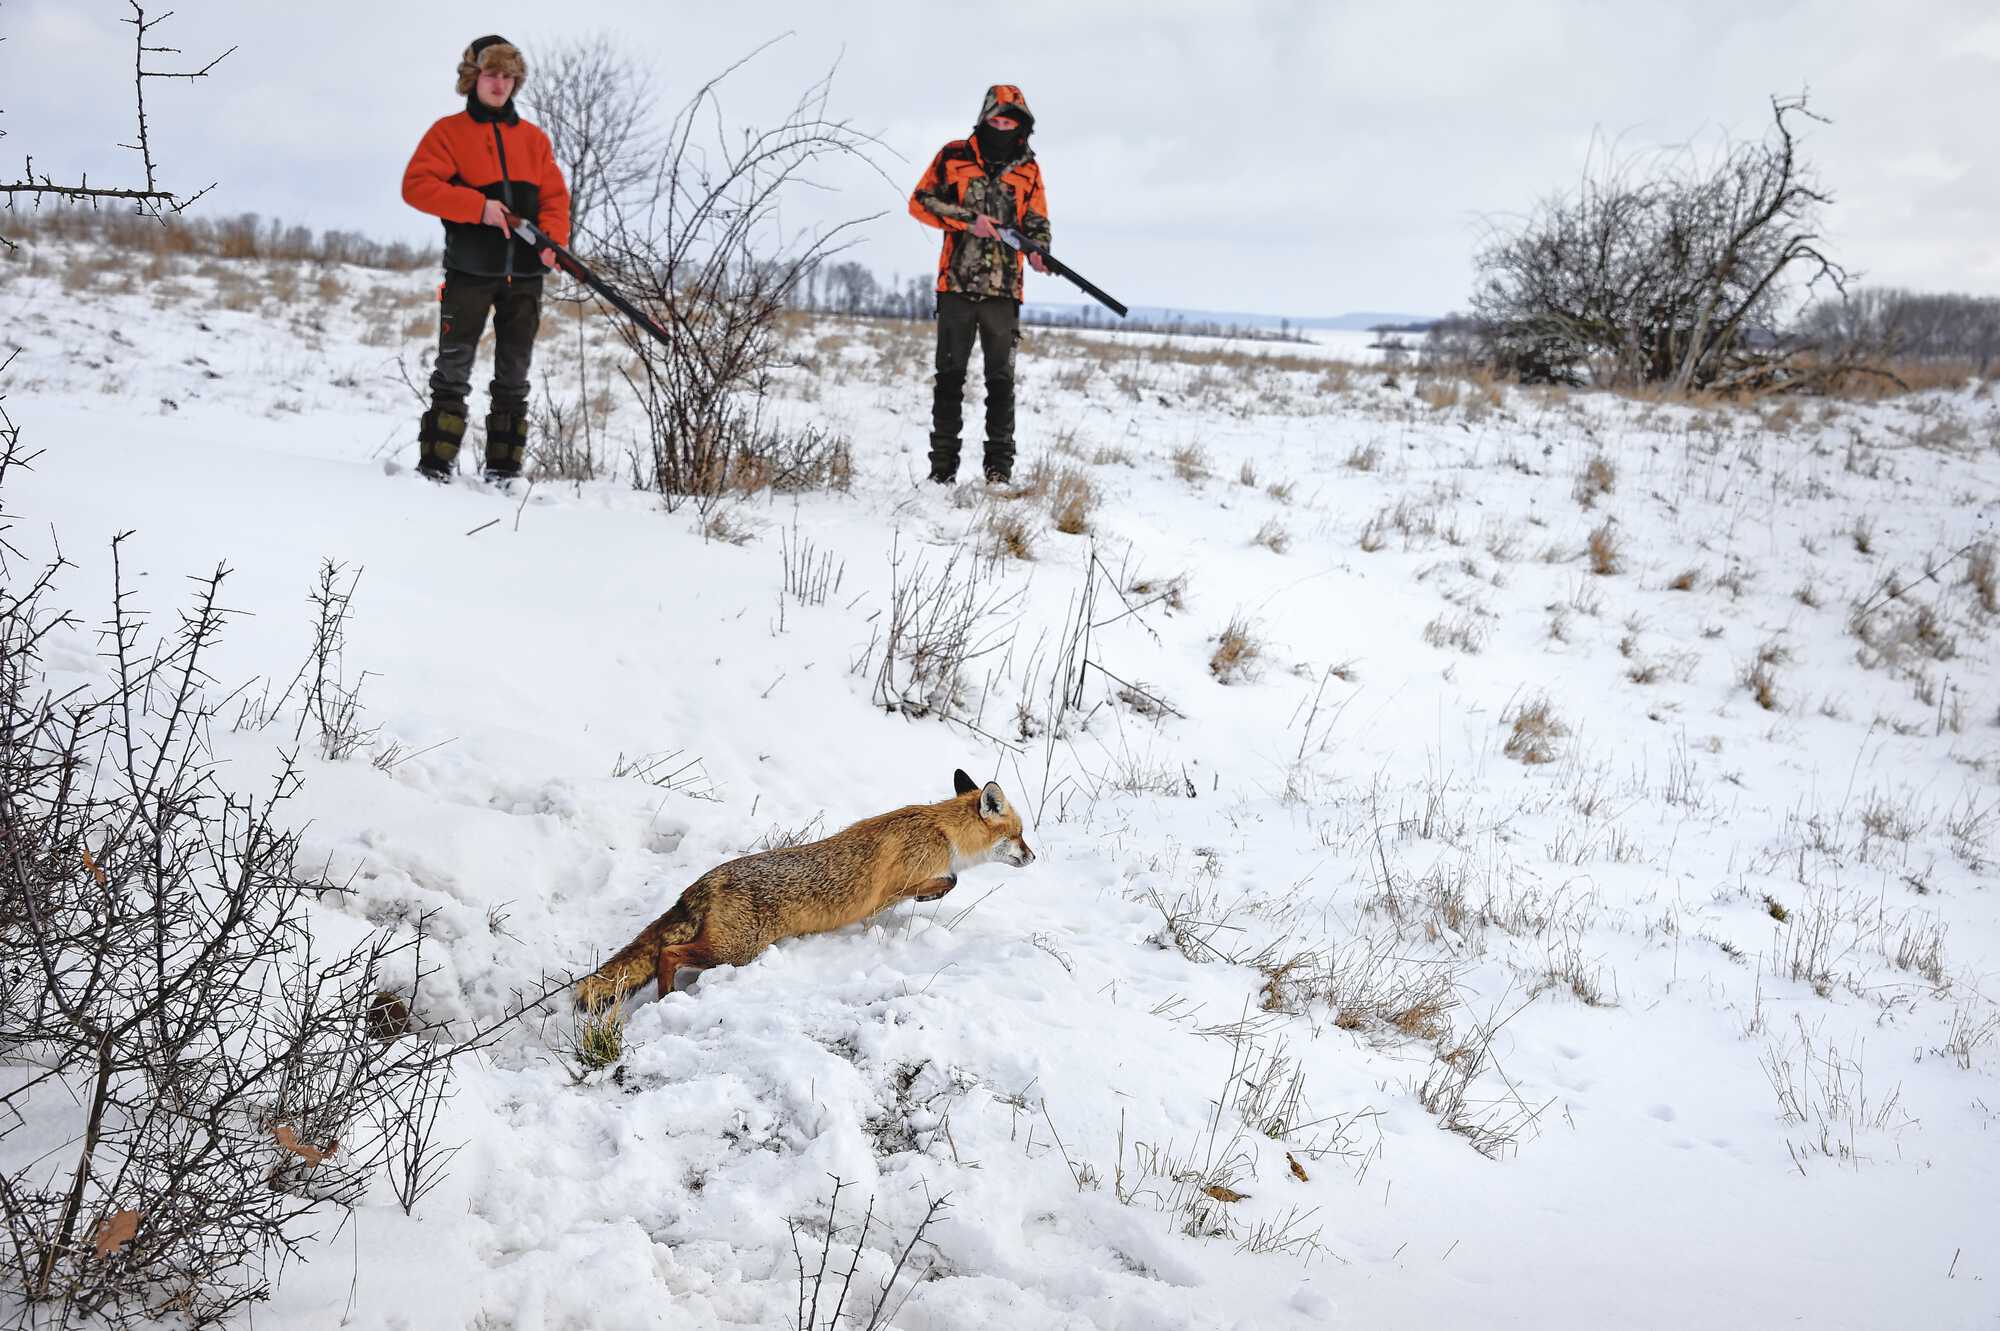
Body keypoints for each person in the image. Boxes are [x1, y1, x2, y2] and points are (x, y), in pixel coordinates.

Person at [401, 35, 571, 482]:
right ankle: (436, 467)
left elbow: (554, 198)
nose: (500, 84)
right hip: (470, 273)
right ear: (474, 78)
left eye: (508, 76)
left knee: (514, 380)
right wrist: (478, 207)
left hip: (527, 275)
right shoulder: (448, 134)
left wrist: (552, 241)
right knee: (453, 372)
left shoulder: (534, 141)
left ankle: (504, 473)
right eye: (492, 74)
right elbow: (417, 186)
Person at [908, 85, 1051, 486]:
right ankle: (941, 471)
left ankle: (998, 472)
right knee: (949, 379)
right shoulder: (953, 156)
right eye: (996, 120)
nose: (1002, 127)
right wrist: (967, 220)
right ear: (985, 118)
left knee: (1001, 384)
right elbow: (919, 201)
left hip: (1004, 294)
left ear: (1020, 125)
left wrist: (1039, 252)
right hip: (955, 285)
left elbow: (1037, 223)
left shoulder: (1029, 170)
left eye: (1010, 121)